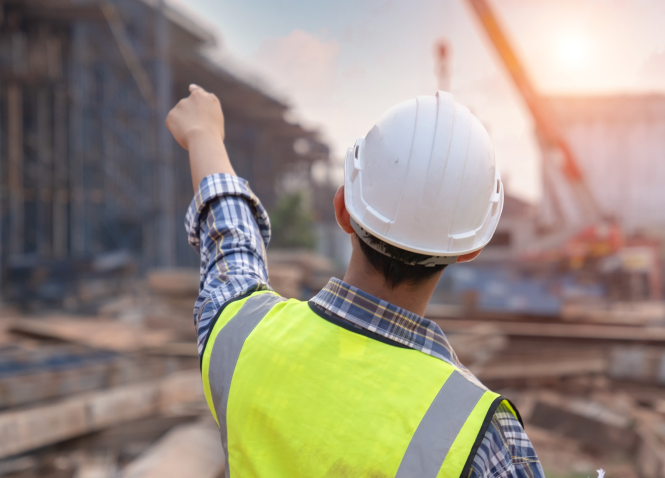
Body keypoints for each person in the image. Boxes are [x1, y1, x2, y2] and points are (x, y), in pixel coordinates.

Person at [166, 86, 543, 477]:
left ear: (343, 209)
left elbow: (231, 247)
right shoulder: (485, 438)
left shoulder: (240, 336)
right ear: (471, 249)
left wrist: (203, 135)